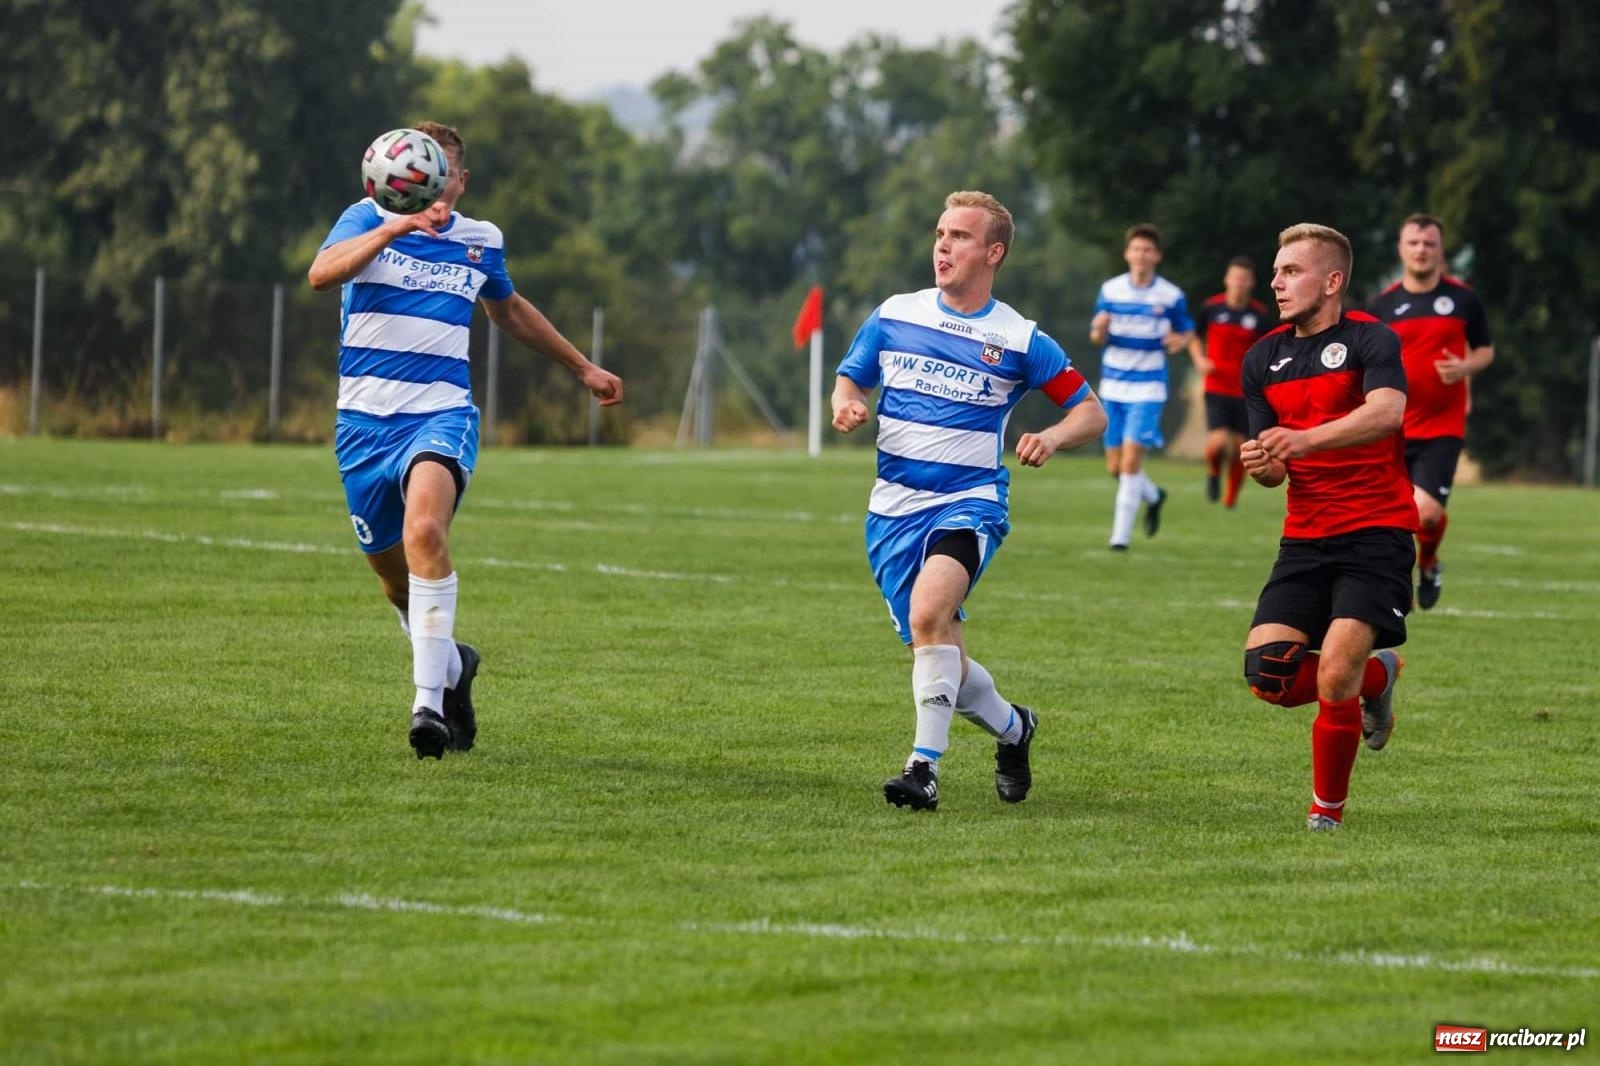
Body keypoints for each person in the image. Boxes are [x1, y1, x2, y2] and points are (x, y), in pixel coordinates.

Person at [308, 121, 623, 759]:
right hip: (363, 426)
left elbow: (508, 309)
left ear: (460, 176)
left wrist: (582, 366)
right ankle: (454, 664)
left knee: (428, 533)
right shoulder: (364, 219)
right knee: (397, 585)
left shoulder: (481, 241)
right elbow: (321, 275)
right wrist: (392, 227)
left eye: (442, 173)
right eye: (417, 176)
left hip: (440, 414)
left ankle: (426, 705)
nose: (432, 187)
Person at [832, 190, 1106, 811]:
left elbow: (1092, 413)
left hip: (969, 501)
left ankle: (922, 770)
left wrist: (1055, 435)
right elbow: (852, 374)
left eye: (959, 236)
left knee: (931, 616)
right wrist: (844, 401)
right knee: (938, 652)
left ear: (993, 252)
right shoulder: (896, 313)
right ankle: (1015, 728)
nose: (943, 246)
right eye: (939, 233)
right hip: (891, 510)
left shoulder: (1020, 338)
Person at [1238, 223, 1417, 831]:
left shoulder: (1372, 340)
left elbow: (1388, 412)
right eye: (1276, 271)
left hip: (1376, 530)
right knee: (1269, 675)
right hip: (1305, 536)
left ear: (1332, 280)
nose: (1277, 283)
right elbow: (1275, 471)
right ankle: (1380, 675)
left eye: (1291, 271)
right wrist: (1264, 464)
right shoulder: (1262, 358)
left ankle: (1326, 813)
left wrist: (1305, 438)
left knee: (1333, 671)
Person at [1366, 213, 1494, 609]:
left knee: (1425, 515)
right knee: (1388, 517)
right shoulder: (1381, 306)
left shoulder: (1463, 299)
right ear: (1401, 249)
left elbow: (1485, 350)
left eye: (1429, 244)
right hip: (1392, 426)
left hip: (1442, 427)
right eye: (1414, 243)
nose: (1421, 250)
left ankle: (1430, 561)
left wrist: (1466, 367)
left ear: (1441, 251)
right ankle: (1394, 585)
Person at [1090, 223, 1194, 550]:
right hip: (1113, 385)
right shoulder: (1110, 290)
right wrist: (1100, 330)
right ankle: (1153, 495)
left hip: (1148, 387)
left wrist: (1178, 341)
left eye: (1147, 250)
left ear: (1157, 256)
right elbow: (1096, 336)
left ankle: (1119, 539)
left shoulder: (1171, 295)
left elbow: (1186, 331)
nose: (1141, 255)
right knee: (1114, 467)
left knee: (1131, 463)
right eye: (1136, 249)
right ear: (1127, 254)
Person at [1188, 256, 1271, 508]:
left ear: (1251, 282)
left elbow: (1268, 351)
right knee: (1219, 441)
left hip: (1246, 391)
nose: (1239, 283)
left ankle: (1230, 499)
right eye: (1235, 277)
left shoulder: (1260, 316)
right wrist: (1200, 360)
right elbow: (1194, 337)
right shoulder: (1212, 308)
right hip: (1216, 387)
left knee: (1240, 447)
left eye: (1244, 278)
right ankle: (1213, 473)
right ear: (1227, 279)